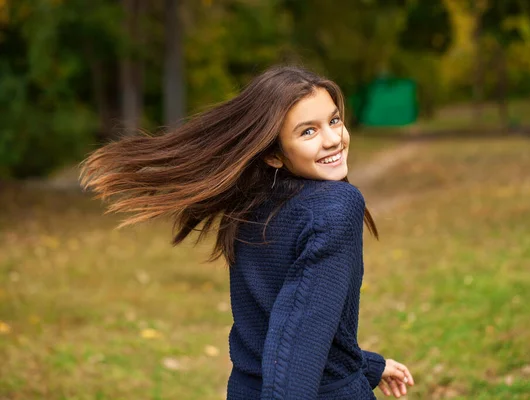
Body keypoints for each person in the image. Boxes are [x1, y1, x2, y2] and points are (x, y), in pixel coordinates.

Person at [79, 65, 414, 399]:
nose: (332, 140)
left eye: (334, 120)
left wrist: (365, 365)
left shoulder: (254, 202)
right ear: (273, 155)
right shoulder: (334, 207)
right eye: (307, 132)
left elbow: (284, 321)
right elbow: (296, 344)